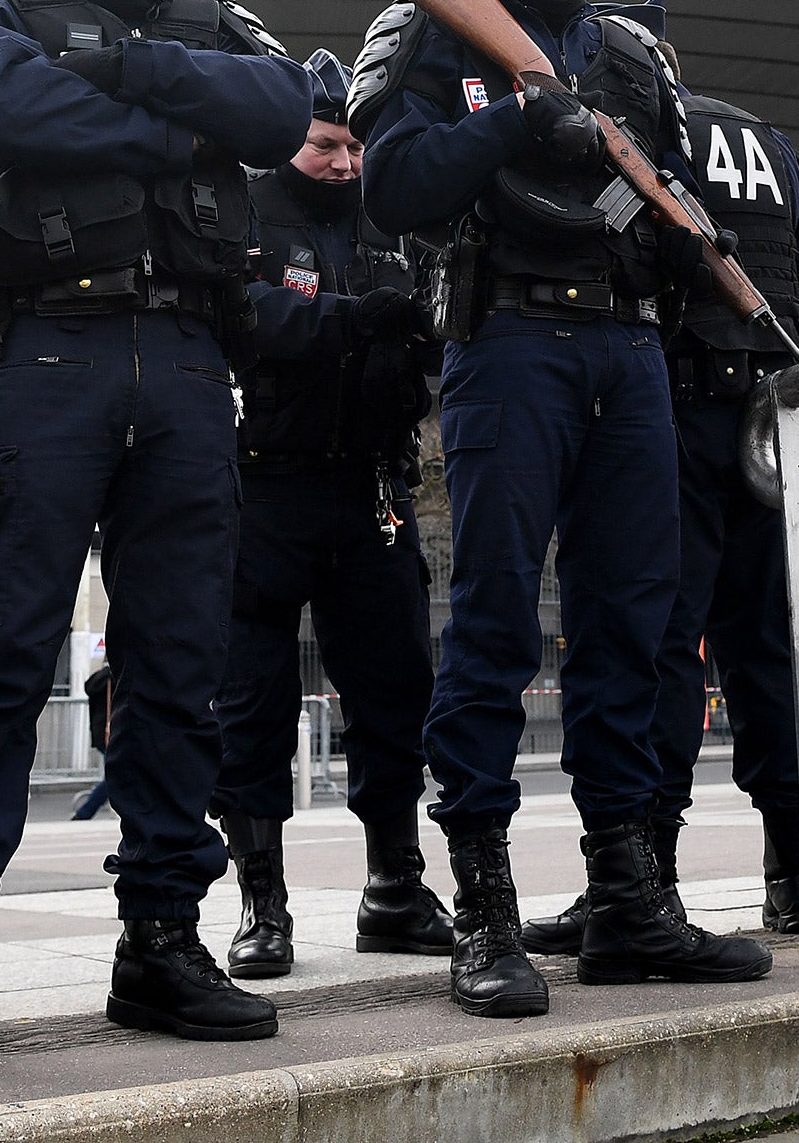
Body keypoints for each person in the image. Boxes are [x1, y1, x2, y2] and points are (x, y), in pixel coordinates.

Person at [0, 0, 311, 1079]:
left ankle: (161, 946)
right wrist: (183, 118)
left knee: (178, 667)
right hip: (51, 356)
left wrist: (126, 84)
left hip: (186, 362)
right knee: (3, 661)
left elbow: (284, 111)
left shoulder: (222, 20)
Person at [351, 0, 770, 1018]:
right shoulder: (435, 30)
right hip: (509, 345)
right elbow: (392, 189)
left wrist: (702, 253)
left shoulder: (631, 52)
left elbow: (669, 187)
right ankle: (480, 915)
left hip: (628, 349)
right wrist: (517, 121)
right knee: (490, 626)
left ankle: (627, 902)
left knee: (632, 632)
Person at [523, 80, 799, 955]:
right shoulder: (769, 139)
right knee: (773, 648)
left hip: (679, 404)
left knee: (659, 644)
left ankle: (640, 878)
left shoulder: (648, 129)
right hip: (776, 420)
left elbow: (616, 245)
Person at [210, 50, 452, 980]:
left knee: (395, 697)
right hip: (263, 490)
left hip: (371, 492)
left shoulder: (391, 214)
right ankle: (260, 908)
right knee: (252, 709)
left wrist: (425, 321)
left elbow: (439, 315)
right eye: (326, 145)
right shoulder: (242, 209)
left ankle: (395, 887)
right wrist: (356, 320)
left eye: (355, 146)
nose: (346, 163)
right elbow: (245, 313)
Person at [71, 663, 113, 821]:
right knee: (115, 776)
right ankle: (86, 811)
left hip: (101, 733)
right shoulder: (111, 679)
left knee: (117, 774)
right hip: (110, 732)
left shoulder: (98, 680)